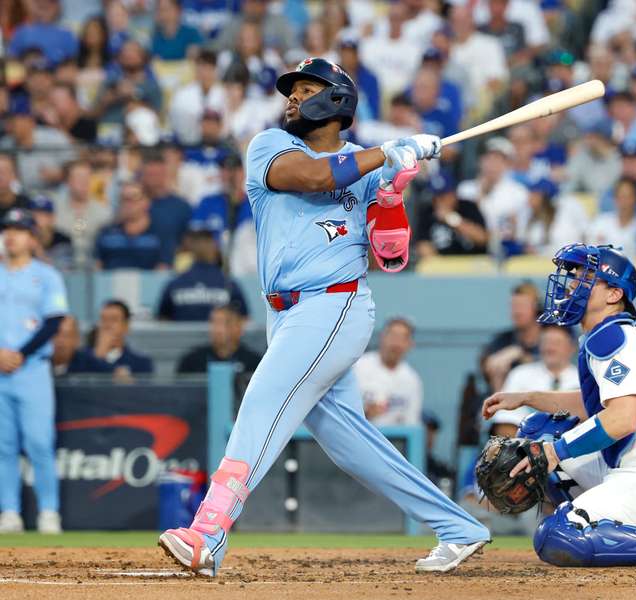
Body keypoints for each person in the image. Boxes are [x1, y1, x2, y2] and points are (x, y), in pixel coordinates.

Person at [158, 57, 489, 577]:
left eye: (306, 88)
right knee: (349, 443)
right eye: (291, 90)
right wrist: (387, 153)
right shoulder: (270, 145)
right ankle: (458, 526)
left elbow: (392, 255)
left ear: (337, 100)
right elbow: (313, 176)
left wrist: (391, 191)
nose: (293, 97)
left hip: (335, 304)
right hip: (285, 313)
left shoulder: (367, 163)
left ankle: (207, 533)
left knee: (262, 403)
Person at [482, 244, 636, 568]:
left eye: (585, 278)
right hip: (632, 468)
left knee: (557, 535)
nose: (572, 285)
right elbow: (594, 404)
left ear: (613, 294)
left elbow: (622, 419)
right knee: (538, 434)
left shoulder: (614, 338)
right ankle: (606, 527)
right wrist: (527, 398)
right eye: (574, 277)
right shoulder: (607, 333)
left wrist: (555, 452)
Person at [0, 209, 69, 534]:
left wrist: (19, 354)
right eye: (7, 229)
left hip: (32, 369)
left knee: (40, 442)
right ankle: (9, 511)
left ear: (32, 238)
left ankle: (48, 511)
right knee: (4, 446)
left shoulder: (46, 275)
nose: (11, 235)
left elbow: (54, 320)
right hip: (1, 370)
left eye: (19, 230)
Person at [156, 224, 249, 321]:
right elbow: (244, 321)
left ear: (190, 250)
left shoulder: (174, 285)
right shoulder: (229, 285)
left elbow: (162, 322)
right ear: (216, 249)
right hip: (218, 332)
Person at [353, 317, 423, 426]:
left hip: (393, 436)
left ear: (410, 344)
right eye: (393, 336)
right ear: (382, 337)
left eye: (403, 338)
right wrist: (366, 413)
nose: (396, 344)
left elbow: (411, 423)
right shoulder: (358, 367)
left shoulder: (412, 380)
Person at [481, 281, 542, 392]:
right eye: (513, 306)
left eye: (522, 306)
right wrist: (494, 367)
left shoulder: (551, 337)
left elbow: (553, 366)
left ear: (536, 308)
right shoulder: (502, 340)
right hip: (508, 396)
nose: (517, 312)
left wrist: (521, 355)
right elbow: (486, 365)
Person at [68, 299, 154, 378]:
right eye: (103, 319)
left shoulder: (141, 363)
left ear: (126, 326)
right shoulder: (79, 357)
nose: (107, 325)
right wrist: (98, 356)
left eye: (114, 320)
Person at [413, 170, 488, 258]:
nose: (438, 200)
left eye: (443, 196)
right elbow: (422, 246)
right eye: (435, 196)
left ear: (453, 193)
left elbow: (482, 238)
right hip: (441, 264)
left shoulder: (468, 207)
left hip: (472, 262)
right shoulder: (427, 212)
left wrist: (451, 218)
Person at [176, 304, 261, 376]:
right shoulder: (191, 361)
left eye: (226, 323)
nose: (218, 329)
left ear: (239, 328)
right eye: (214, 322)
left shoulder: (255, 363)